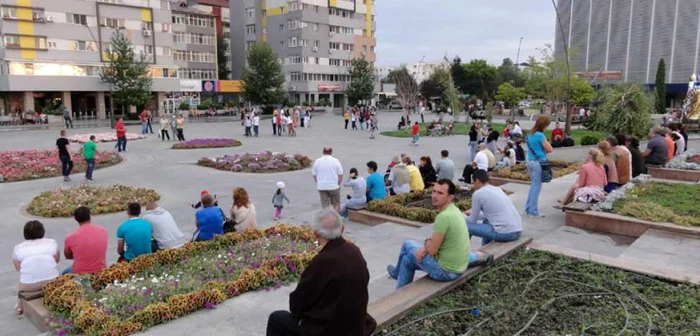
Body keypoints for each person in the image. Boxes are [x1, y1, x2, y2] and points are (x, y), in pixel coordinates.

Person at [266, 209, 376, 336]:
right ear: (342, 229)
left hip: (328, 330)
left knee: (277, 319)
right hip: (356, 326)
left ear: (315, 234)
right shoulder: (355, 252)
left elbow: (298, 304)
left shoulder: (322, 262)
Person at [387, 179, 490, 289]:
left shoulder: (443, 217)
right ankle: (400, 291)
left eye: (440, 193)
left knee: (407, 245)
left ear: (450, 198)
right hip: (459, 265)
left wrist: (426, 244)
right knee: (407, 260)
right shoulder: (454, 210)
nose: (435, 196)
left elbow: (432, 250)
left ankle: (396, 273)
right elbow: (437, 242)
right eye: (434, 191)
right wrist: (427, 247)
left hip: (446, 272)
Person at [13, 221, 59, 315]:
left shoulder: (18, 248)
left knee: (21, 284)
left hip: (29, 286)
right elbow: (56, 260)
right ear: (43, 231)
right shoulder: (52, 243)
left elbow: (19, 268)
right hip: (52, 281)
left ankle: (19, 307)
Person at [464, 170, 522, 246]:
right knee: (486, 221)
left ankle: (464, 254)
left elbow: (472, 221)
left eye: (473, 182)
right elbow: (490, 215)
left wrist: (462, 217)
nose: (473, 185)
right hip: (517, 230)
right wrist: (471, 214)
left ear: (477, 180)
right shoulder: (497, 189)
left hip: (506, 233)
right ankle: (484, 249)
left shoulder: (478, 194)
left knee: (465, 226)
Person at [63, 206, 108, 274]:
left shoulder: (70, 238)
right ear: (90, 216)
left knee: (64, 273)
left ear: (75, 219)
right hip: (101, 269)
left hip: (80, 272)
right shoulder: (103, 231)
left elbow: (68, 256)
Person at [525, 115, 553, 218]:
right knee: (536, 186)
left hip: (530, 160)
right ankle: (533, 211)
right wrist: (542, 152)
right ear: (544, 125)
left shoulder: (530, 134)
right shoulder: (540, 135)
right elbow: (549, 149)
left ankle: (528, 208)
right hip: (538, 162)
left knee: (533, 185)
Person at [312, 146, 343, 211]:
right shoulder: (336, 161)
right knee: (336, 204)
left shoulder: (317, 161)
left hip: (322, 186)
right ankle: (335, 219)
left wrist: (318, 182)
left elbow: (314, 174)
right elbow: (340, 174)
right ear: (331, 152)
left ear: (323, 152)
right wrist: (338, 183)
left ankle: (327, 219)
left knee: (325, 205)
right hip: (333, 186)